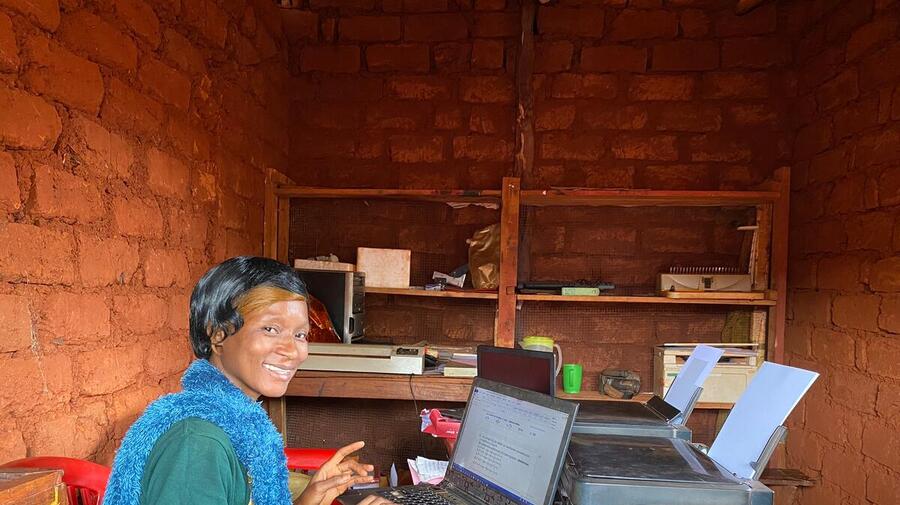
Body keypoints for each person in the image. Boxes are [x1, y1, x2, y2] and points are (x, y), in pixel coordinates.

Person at [104, 256, 393, 505]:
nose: (293, 351)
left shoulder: (237, 424)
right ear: (217, 335)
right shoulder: (197, 445)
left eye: (300, 335)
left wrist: (309, 498)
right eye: (270, 329)